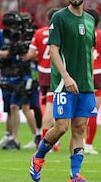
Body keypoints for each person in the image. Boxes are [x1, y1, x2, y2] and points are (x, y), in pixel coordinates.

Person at [30, 0, 97, 182]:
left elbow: (88, 51)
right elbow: (54, 50)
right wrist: (66, 77)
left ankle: (74, 175)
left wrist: (89, 81)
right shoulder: (59, 18)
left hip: (86, 85)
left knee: (79, 128)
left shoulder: (90, 20)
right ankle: (38, 157)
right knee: (61, 128)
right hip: (63, 83)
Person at [0, 11, 37, 150]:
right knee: (11, 107)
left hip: (24, 74)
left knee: (25, 107)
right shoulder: (2, 35)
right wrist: (3, 53)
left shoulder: (26, 35)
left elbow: (34, 53)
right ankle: (12, 137)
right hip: (8, 74)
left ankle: (36, 136)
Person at [22, 8, 60, 151]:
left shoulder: (38, 33)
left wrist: (41, 58)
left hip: (42, 74)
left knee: (51, 107)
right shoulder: (60, 31)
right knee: (51, 109)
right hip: (55, 74)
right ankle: (45, 143)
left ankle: (52, 139)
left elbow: (30, 54)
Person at [84, 8, 101, 155]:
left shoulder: (79, 34)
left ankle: (79, 143)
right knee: (93, 112)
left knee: (81, 113)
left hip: (81, 75)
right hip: (97, 76)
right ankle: (88, 145)